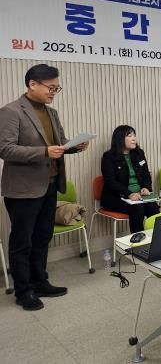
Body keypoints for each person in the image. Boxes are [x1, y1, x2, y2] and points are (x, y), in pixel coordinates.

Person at [0, 64, 89, 310]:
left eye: (57, 88)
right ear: (32, 84)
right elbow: (5, 149)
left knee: (42, 237)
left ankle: (40, 282)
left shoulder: (52, 113)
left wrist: (74, 146)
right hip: (23, 189)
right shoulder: (11, 111)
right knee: (23, 242)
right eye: (51, 88)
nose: (54, 92)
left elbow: (58, 143)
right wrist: (43, 152)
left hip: (50, 185)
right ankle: (23, 291)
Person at [101, 125, 159, 234]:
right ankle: (138, 241)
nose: (134, 139)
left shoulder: (139, 153)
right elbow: (110, 182)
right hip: (117, 197)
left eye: (134, 135)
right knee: (138, 208)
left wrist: (146, 187)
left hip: (139, 196)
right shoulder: (109, 157)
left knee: (153, 207)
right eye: (129, 136)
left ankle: (155, 239)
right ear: (120, 138)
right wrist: (129, 194)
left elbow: (146, 175)